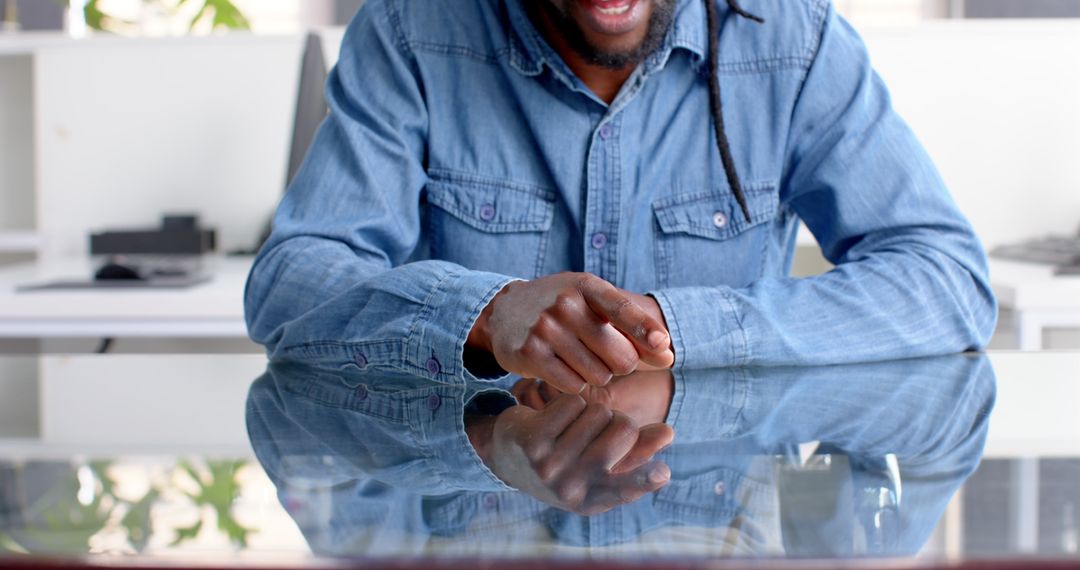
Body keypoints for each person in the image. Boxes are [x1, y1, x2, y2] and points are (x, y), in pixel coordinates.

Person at [244, 0, 996, 394]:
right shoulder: (411, 30)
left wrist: (683, 325)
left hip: (713, 528)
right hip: (472, 532)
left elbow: (945, 282)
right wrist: (485, 312)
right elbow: (290, 285)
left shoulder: (794, 41)